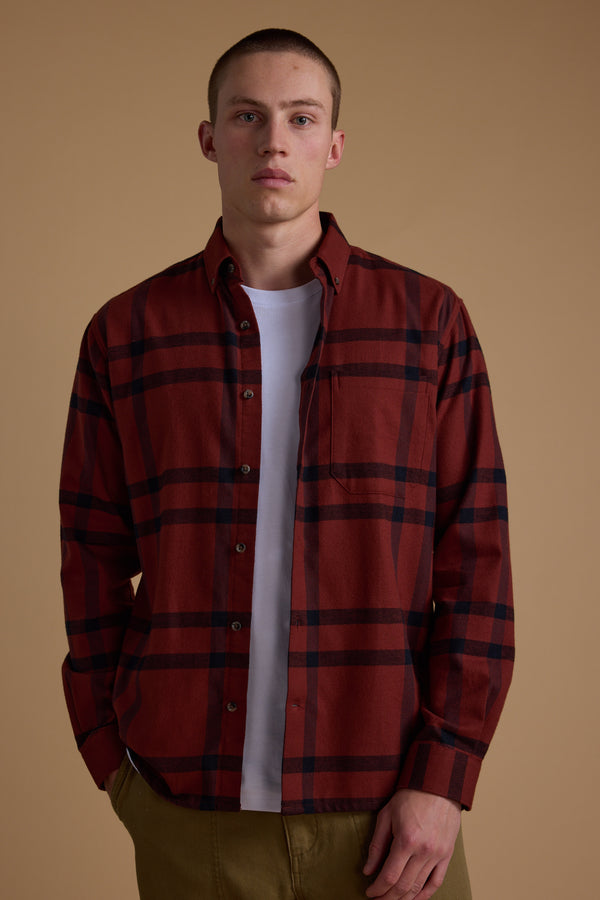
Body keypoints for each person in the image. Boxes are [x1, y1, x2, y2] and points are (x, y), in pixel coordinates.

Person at [59, 28, 514, 900]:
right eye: (248, 115)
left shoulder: (428, 325)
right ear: (209, 138)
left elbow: (476, 565)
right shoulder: (127, 334)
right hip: (189, 813)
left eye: (301, 119)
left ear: (333, 146)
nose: (274, 140)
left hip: (388, 810)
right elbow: (91, 553)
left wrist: (445, 776)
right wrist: (110, 760)